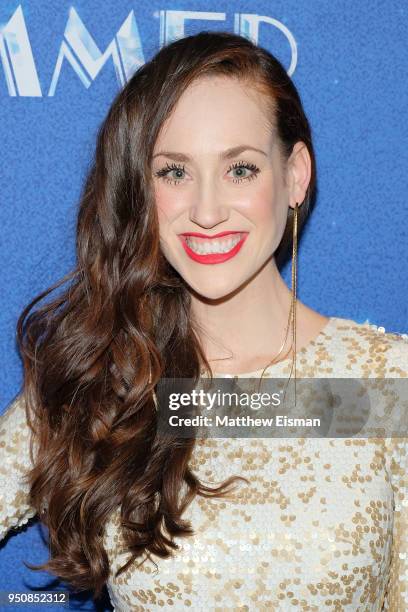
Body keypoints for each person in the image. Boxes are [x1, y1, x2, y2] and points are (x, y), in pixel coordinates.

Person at [0, 30, 407, 611]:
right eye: (174, 173)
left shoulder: (383, 383)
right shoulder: (109, 382)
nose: (208, 211)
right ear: (141, 189)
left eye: (240, 169)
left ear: (294, 174)